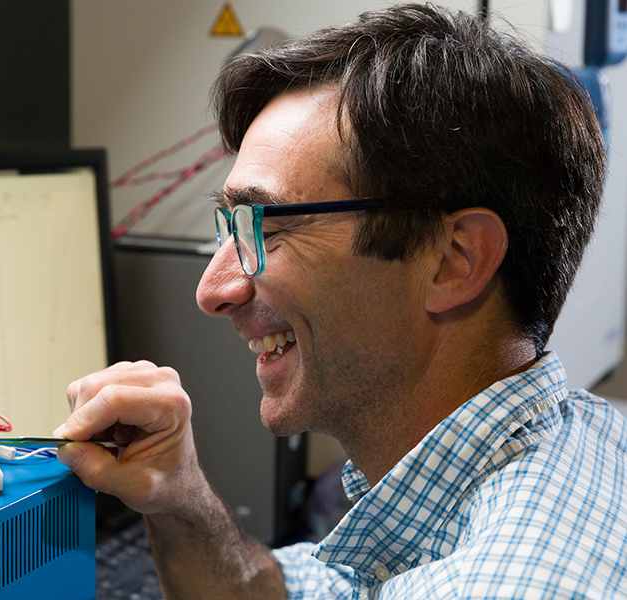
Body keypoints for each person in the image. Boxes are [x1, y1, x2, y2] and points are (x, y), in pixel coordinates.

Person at [54, 3, 627, 598]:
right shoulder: (564, 436)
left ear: (456, 259)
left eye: (265, 228)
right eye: (227, 224)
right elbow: (277, 590)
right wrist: (177, 495)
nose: (212, 290)